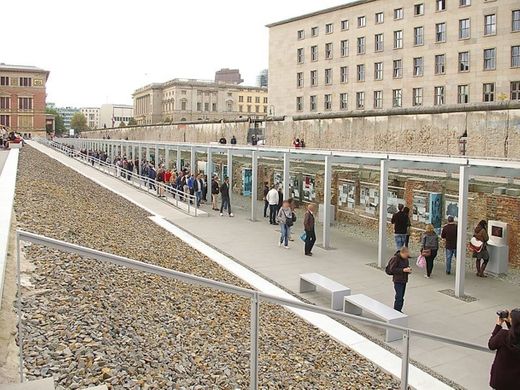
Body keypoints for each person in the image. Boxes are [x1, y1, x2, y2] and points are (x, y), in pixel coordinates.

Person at [488, 309, 520, 389]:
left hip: (500, 379)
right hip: (516, 381)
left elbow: (491, 345)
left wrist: (498, 325)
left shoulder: (503, 335)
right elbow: (515, 333)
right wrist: (510, 323)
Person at [387, 247, 412, 312]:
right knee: (399, 297)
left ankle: (399, 310)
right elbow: (392, 269)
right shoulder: (395, 259)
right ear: (402, 253)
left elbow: (406, 266)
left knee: (401, 297)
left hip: (404, 280)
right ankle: (396, 311)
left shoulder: (406, 259)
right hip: (398, 280)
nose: (407, 256)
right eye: (406, 254)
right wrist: (403, 270)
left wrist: (408, 270)